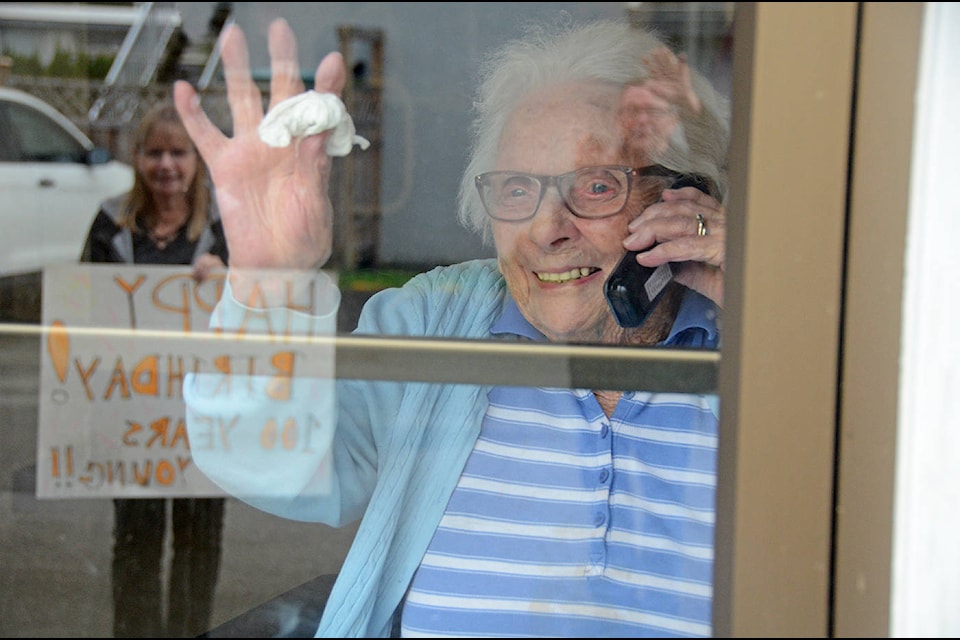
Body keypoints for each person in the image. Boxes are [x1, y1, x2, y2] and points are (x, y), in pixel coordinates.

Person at [175, 14, 729, 638]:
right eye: (517, 191)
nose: (548, 230)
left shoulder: (756, 351)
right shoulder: (440, 324)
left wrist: (762, 311)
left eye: (596, 186)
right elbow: (259, 458)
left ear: (686, 199)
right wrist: (268, 284)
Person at [80, 101, 229, 638]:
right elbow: (84, 313)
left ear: (196, 160)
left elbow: (261, 309)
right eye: (155, 152)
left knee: (199, 539)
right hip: (134, 414)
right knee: (135, 538)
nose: (167, 164)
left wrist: (230, 278)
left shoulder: (221, 224)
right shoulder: (109, 224)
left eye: (179, 152)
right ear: (137, 158)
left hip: (206, 415)